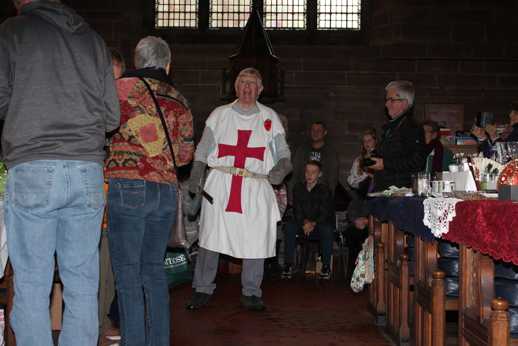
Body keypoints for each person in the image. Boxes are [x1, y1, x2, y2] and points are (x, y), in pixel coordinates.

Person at [0, 1, 120, 345]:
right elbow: (112, 117)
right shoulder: (93, 40)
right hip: (87, 171)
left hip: (34, 164)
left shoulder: (13, 31)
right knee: (82, 283)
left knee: (33, 283)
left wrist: (29, 107)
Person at [105, 36, 194, 345]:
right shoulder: (179, 98)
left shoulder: (119, 89)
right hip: (166, 192)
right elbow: (184, 158)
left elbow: (97, 128)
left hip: (128, 186)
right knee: (153, 271)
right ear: (168, 64)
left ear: (136, 60)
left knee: (128, 275)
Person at [186, 67, 292, 311]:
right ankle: (202, 288)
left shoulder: (269, 118)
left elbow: (283, 153)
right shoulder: (220, 115)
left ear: (260, 89)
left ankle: (252, 291)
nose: (247, 87)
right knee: (211, 236)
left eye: (252, 83)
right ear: (236, 87)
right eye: (242, 82)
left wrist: (283, 167)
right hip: (222, 184)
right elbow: (203, 149)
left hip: (255, 185)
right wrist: (196, 174)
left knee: (255, 238)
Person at [367, 80, 427, 192]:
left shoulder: (412, 128)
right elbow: (391, 155)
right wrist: (373, 154)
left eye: (391, 100)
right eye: (386, 100)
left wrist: (385, 164)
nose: (386, 104)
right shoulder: (391, 127)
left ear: (404, 103)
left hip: (399, 194)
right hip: (385, 191)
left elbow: (417, 162)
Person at [282, 161, 335, 280]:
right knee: (289, 227)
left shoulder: (325, 189)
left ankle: (326, 266)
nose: (309, 175)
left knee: (327, 229)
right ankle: (288, 265)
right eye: (307, 171)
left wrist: (312, 223)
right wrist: (305, 223)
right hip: (303, 224)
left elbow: (325, 212)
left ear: (319, 174)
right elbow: (297, 210)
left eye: (313, 172)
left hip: (318, 225)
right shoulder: (298, 187)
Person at [291, 121, 339, 195]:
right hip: (302, 192)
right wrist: (292, 194)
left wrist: (330, 196)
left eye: (319, 130)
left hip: (322, 193)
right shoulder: (302, 150)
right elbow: (295, 172)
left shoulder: (330, 152)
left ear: (325, 132)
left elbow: (333, 178)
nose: (315, 133)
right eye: (313, 130)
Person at [347, 128, 377, 197]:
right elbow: (350, 180)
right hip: (361, 193)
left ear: (375, 141)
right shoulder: (358, 159)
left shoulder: (380, 158)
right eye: (364, 141)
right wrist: (362, 180)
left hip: (376, 193)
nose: (367, 143)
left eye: (369, 140)